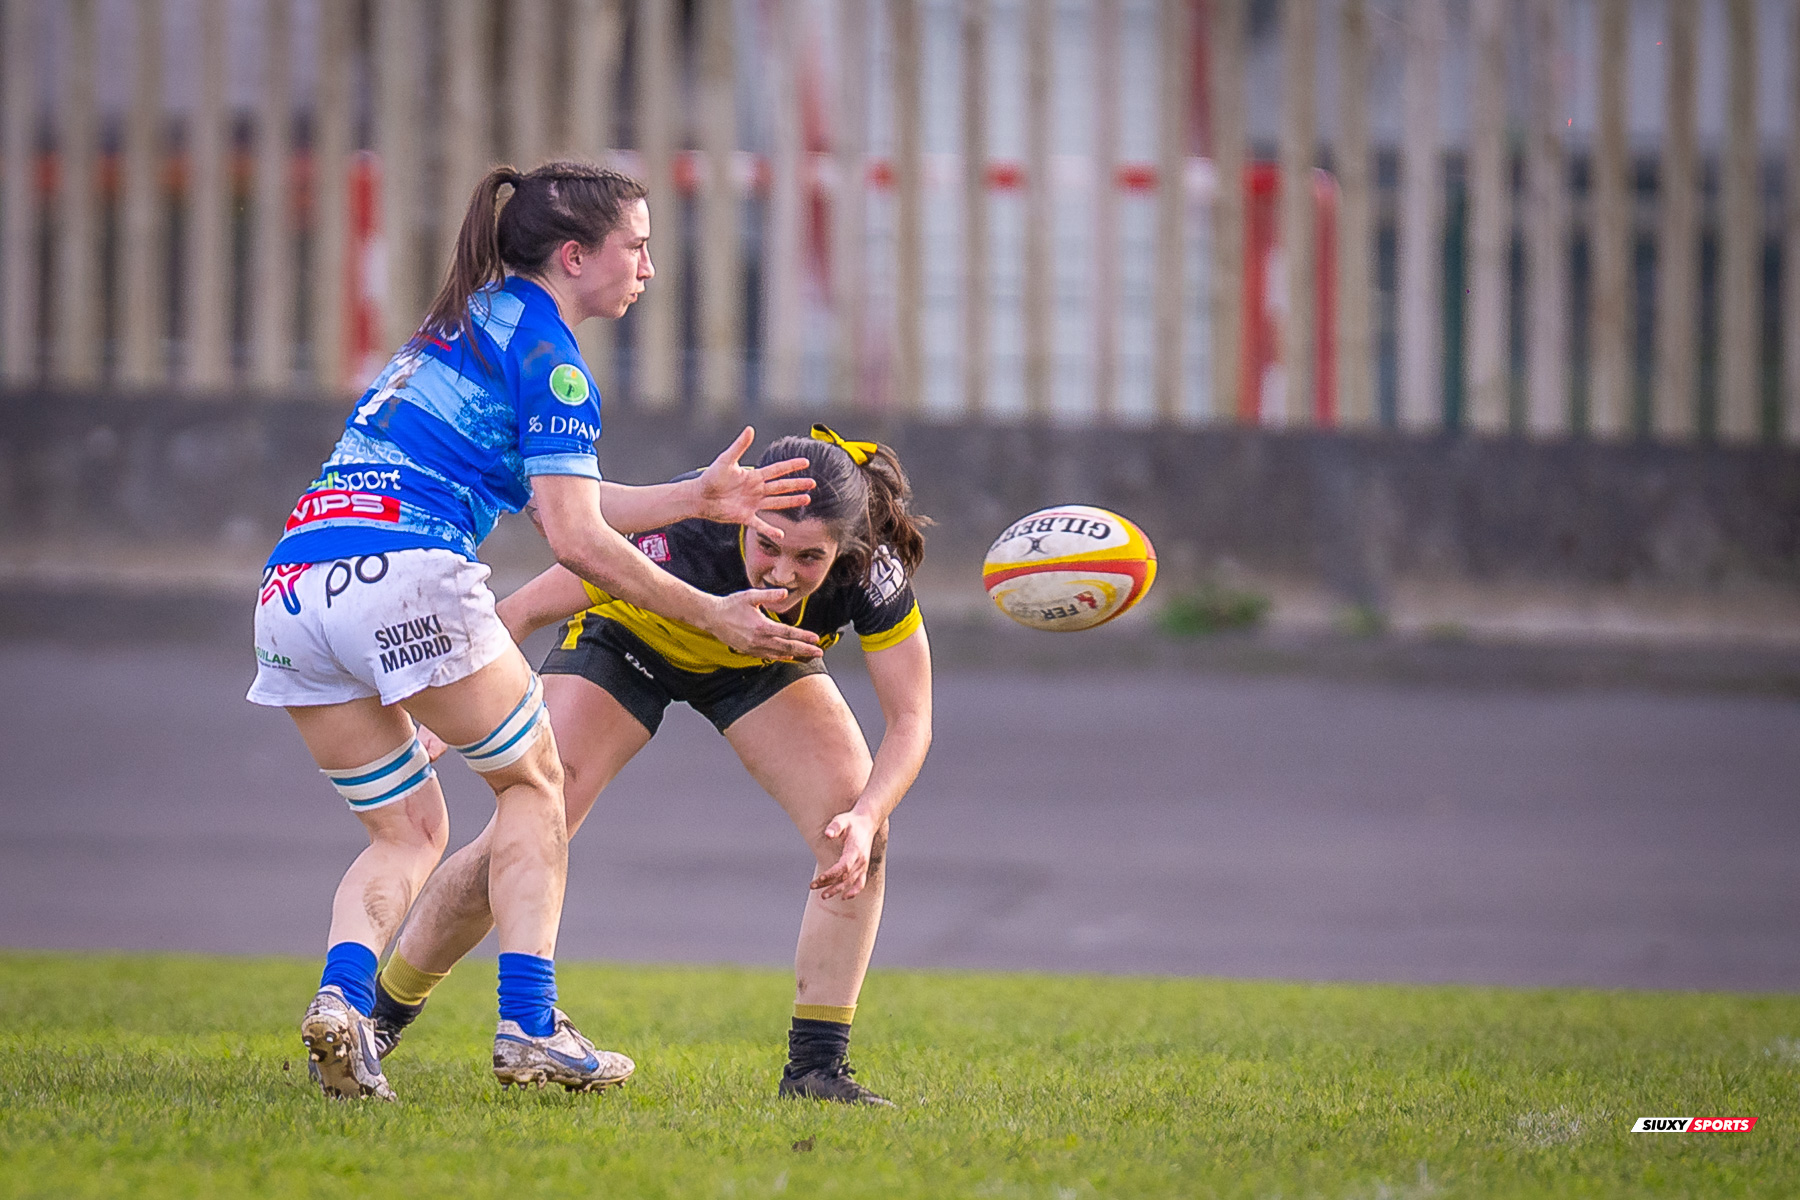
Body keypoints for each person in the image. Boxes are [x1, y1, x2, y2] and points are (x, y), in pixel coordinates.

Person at [247, 161, 823, 1102]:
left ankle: (342, 1004)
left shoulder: (467, 320)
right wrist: (710, 611)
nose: (648, 267)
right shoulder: (552, 358)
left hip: (294, 593)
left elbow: (565, 497)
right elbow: (577, 538)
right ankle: (530, 1024)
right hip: (405, 576)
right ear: (574, 255)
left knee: (406, 831)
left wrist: (695, 496)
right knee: (535, 783)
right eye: (636, 245)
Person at [371, 426, 934, 1107]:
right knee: (525, 832)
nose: (782, 574)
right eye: (768, 545)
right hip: (630, 637)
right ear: (745, 518)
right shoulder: (692, 525)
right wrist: (448, 702)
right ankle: (377, 1021)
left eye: (809, 557)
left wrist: (867, 815)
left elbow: (911, 719)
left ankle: (816, 1071)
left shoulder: (871, 570)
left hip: (757, 660)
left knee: (856, 838)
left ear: (843, 549)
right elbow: (521, 610)